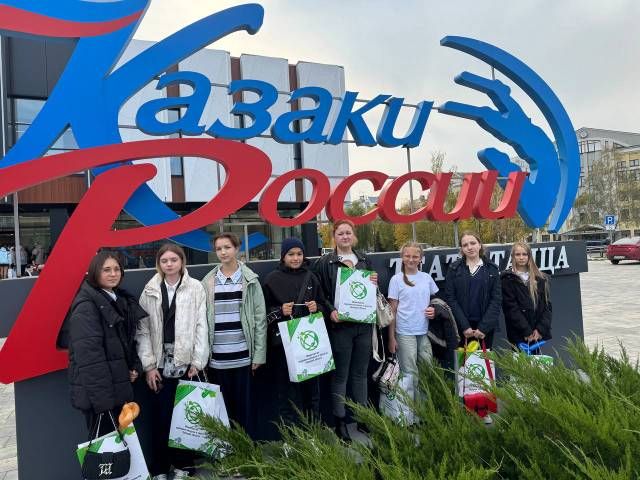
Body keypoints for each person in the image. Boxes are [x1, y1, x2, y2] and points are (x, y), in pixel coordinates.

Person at [137, 244, 208, 479]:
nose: (169, 264)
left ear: (182, 261)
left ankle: (184, 467)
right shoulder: (150, 289)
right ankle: (159, 468)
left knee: (184, 418)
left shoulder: (195, 287)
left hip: (185, 363)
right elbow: (143, 330)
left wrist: (197, 361)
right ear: (159, 263)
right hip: (158, 364)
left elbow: (201, 325)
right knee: (160, 418)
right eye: (164, 260)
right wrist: (148, 366)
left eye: (173, 260)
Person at [67, 250, 147, 437]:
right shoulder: (87, 306)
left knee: (118, 448)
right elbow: (90, 361)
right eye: (106, 270)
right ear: (95, 272)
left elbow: (125, 343)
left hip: (117, 393)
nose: (113, 274)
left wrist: (134, 367)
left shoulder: (117, 300)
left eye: (117, 269)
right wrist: (104, 405)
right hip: (102, 401)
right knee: (104, 450)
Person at [313, 219, 378, 442]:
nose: (345, 237)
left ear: (354, 236)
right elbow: (320, 294)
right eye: (340, 233)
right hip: (340, 327)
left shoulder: (364, 260)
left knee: (360, 373)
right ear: (334, 237)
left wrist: (374, 282)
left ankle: (362, 418)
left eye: (348, 233)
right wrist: (330, 311)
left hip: (363, 325)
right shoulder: (325, 263)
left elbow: (370, 292)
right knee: (340, 375)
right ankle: (340, 422)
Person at [202, 232, 266, 434]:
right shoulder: (208, 282)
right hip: (217, 360)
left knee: (245, 412)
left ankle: (247, 450)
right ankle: (227, 451)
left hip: (243, 358)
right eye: (219, 248)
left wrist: (259, 354)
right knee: (222, 414)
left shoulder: (250, 280)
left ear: (237, 249)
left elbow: (260, 319)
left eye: (227, 247)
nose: (223, 252)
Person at [262, 237, 330, 427]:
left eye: (299, 254)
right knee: (287, 393)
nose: (295, 258)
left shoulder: (311, 277)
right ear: (283, 256)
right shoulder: (272, 279)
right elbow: (262, 314)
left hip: (310, 345)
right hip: (284, 346)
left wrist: (317, 307)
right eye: (291, 254)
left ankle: (313, 433)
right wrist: (279, 311)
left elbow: (324, 305)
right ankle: (291, 436)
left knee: (312, 393)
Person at [387, 242, 439, 387]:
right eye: (407, 256)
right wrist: (391, 338)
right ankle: (411, 402)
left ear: (421, 258)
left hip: (424, 332)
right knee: (410, 374)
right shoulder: (396, 280)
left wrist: (434, 309)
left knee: (427, 371)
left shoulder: (426, 278)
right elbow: (392, 310)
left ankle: (425, 401)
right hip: (404, 333)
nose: (411, 259)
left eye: (415, 256)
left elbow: (436, 301)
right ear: (402, 258)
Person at [445, 231, 502, 349]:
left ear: (479, 245)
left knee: (484, 360)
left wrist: (484, 327)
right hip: (463, 328)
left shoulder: (492, 269)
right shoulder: (454, 269)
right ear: (462, 249)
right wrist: (464, 326)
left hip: (485, 329)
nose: (469, 247)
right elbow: (451, 299)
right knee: (464, 360)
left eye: (473, 243)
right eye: (465, 245)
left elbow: (496, 299)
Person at [501, 241, 552, 349]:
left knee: (536, 360)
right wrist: (526, 331)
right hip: (519, 335)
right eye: (518, 254)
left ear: (529, 256)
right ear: (513, 257)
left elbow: (547, 307)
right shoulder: (507, 279)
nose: (521, 257)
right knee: (518, 359)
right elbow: (511, 309)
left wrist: (540, 329)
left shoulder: (541, 278)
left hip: (537, 334)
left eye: (524, 254)